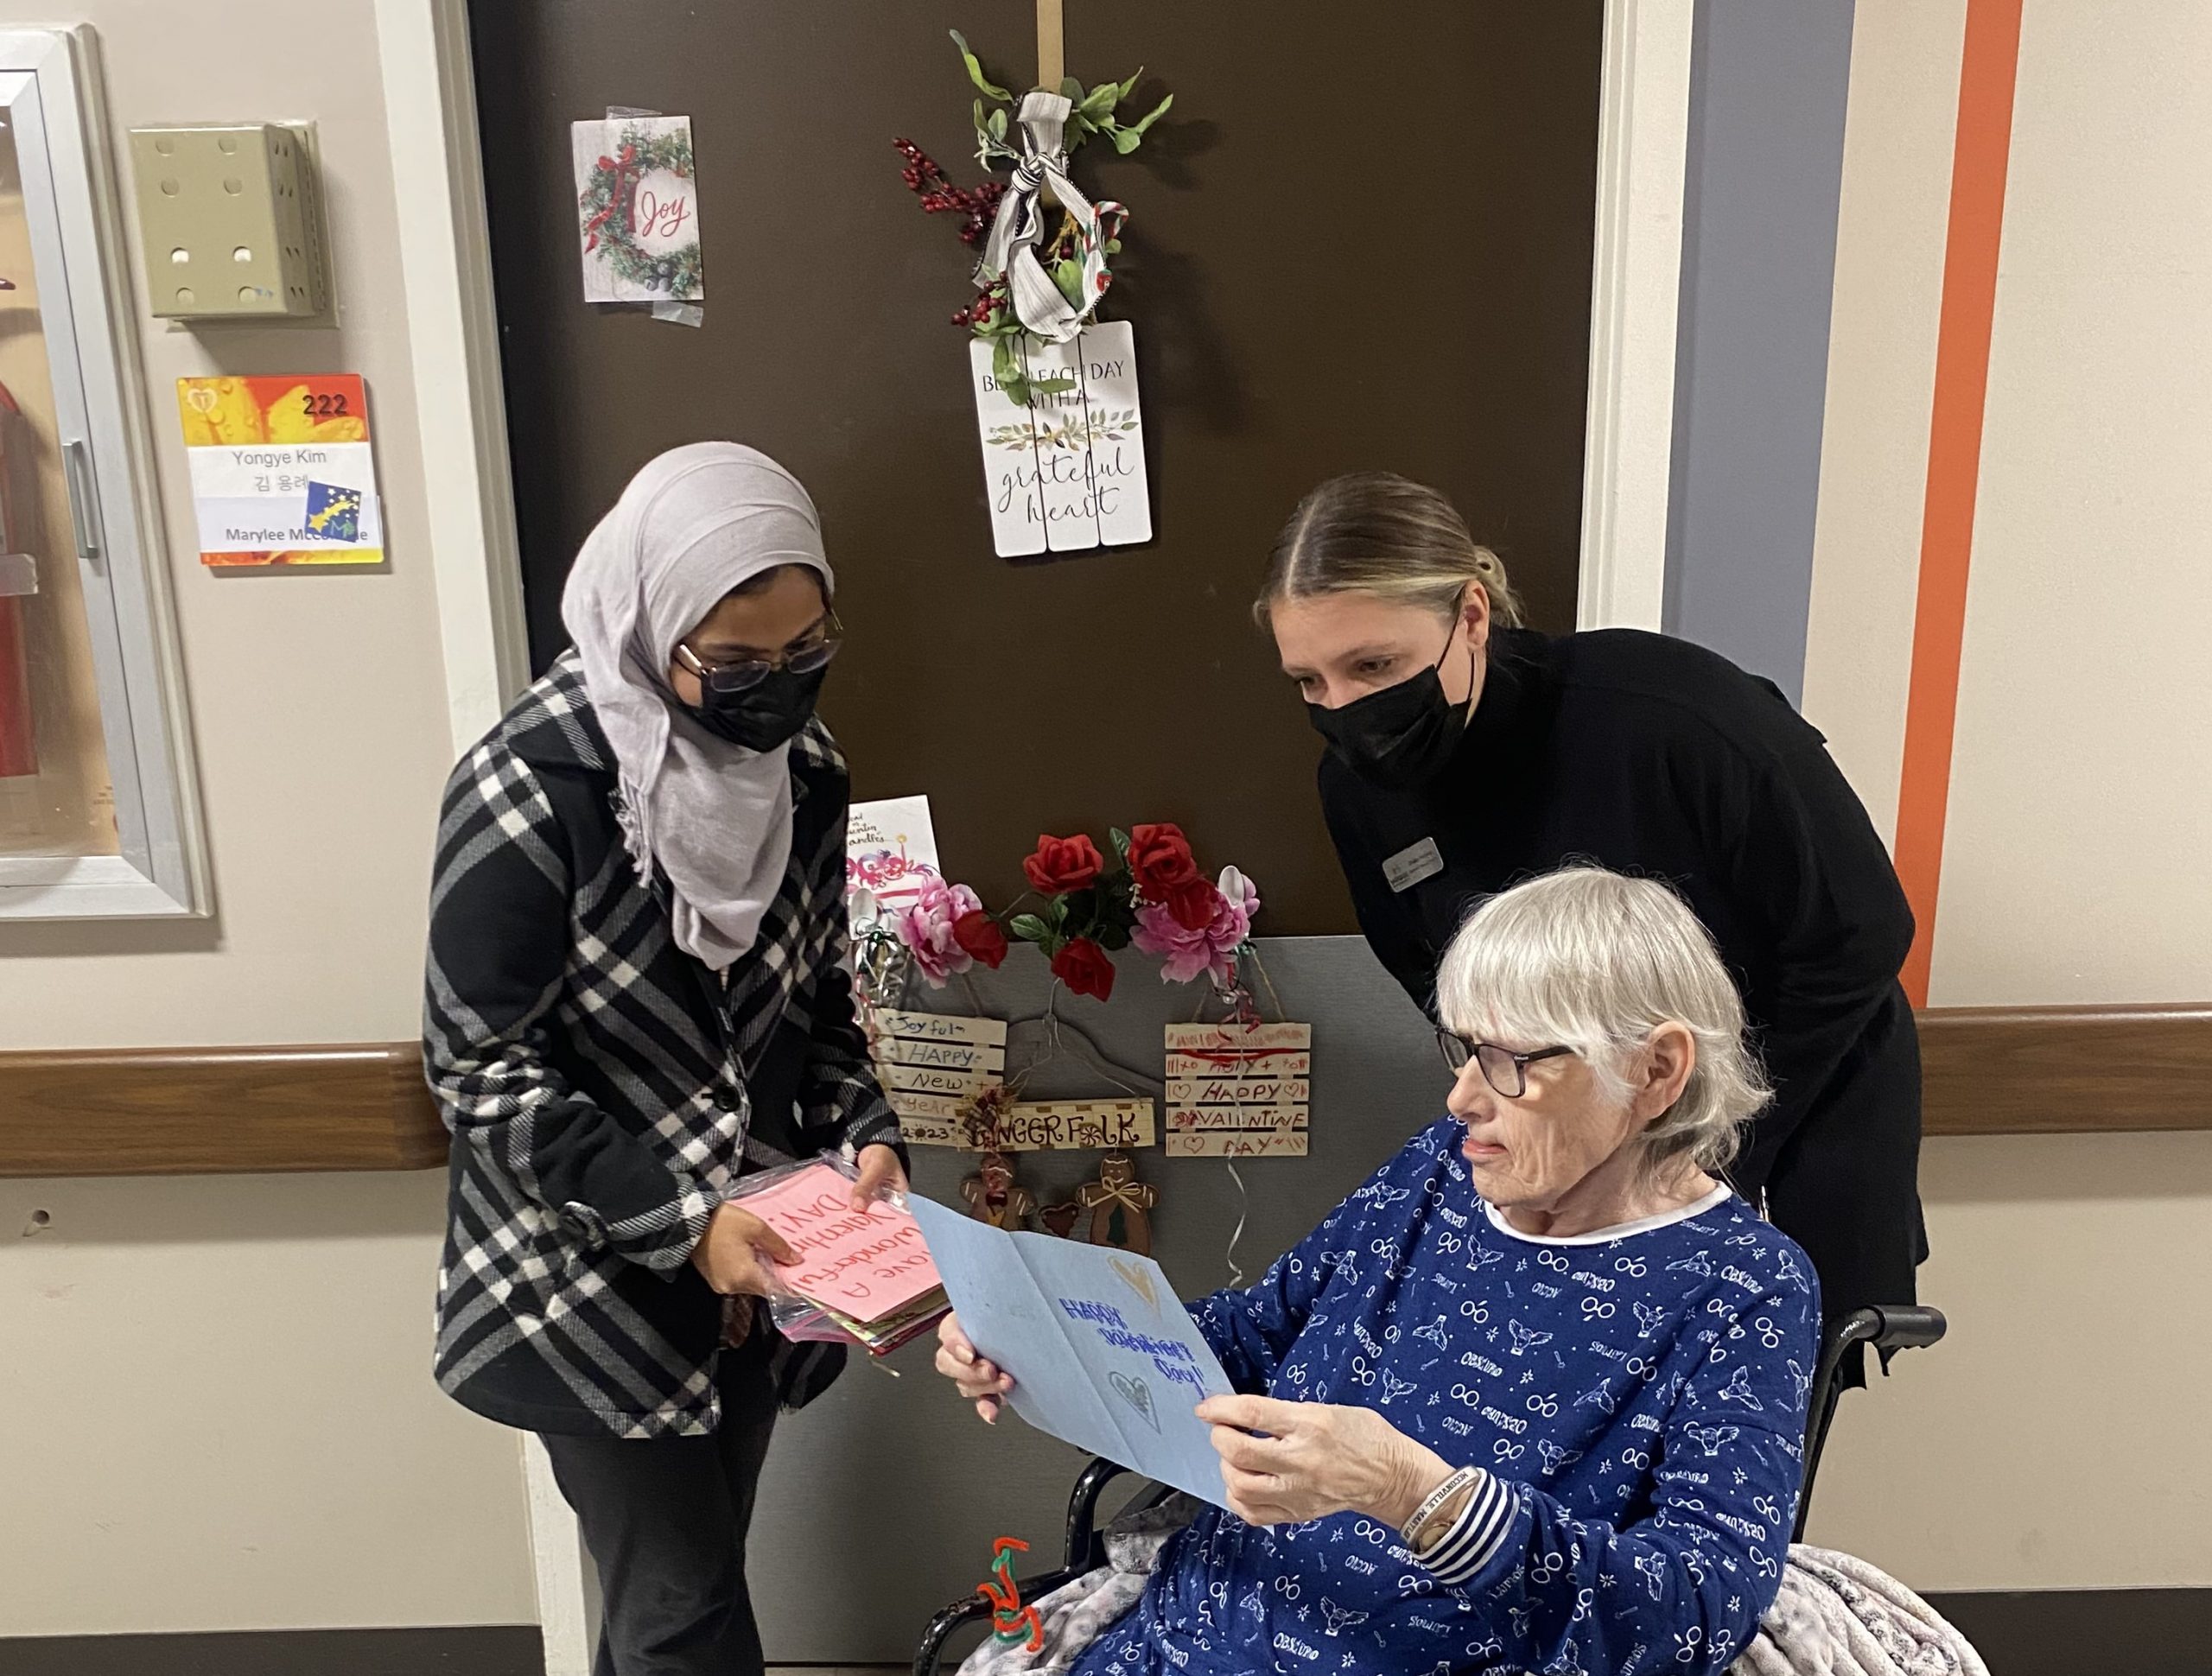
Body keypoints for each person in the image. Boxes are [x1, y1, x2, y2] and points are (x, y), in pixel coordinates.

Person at [937, 867, 1819, 1674]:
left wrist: (1412, 1493)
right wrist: (1037, 1331)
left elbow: (1696, 1610)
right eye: (1464, 1049)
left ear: (1655, 1068)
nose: (1462, 1098)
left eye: (1511, 1062)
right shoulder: (1445, 1166)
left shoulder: (1740, 1285)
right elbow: (1255, 1332)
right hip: (1186, 1634)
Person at [422, 443, 906, 1676]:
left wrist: (869, 1132)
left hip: (761, 1273)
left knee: (675, 1597)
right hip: (586, 1280)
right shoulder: (531, 784)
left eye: (808, 652)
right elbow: (480, 1067)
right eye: (736, 666)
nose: (779, 690)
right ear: (646, 631)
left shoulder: (805, 772)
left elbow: (819, 995)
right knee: (687, 1619)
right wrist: (681, 1221)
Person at [1257, 470, 1923, 1353]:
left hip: (1784, 1128)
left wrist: (1697, 1146)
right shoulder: (1358, 792)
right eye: (1309, 682)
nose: (1345, 709)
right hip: (1567, 1171)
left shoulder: (1672, 714)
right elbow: (1439, 983)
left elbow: (1859, 933)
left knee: (1726, 1458)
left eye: (1373, 665)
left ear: (1471, 614)